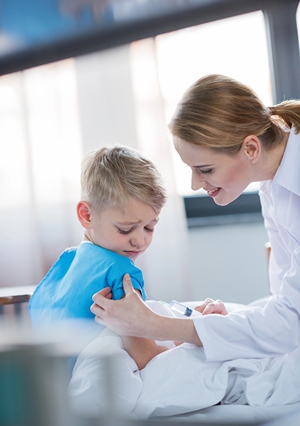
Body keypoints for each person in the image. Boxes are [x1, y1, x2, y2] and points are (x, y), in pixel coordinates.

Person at [90, 74, 300, 362]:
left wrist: (153, 325)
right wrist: (223, 325)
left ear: (251, 148)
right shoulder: (273, 185)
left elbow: (290, 323)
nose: (194, 184)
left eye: (206, 169)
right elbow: (286, 306)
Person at [29, 145, 169, 369]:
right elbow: (145, 357)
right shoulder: (122, 274)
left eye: (149, 228)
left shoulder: (66, 263)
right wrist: (192, 341)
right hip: (93, 390)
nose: (139, 240)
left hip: (48, 389)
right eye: (126, 229)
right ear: (86, 215)